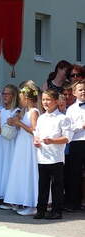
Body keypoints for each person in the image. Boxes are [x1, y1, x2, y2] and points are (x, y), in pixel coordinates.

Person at [33, 89, 72, 219]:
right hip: (42, 157)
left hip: (56, 158)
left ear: (56, 101)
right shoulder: (41, 118)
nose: (45, 102)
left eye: (48, 99)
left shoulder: (62, 118)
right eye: (43, 99)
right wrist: (36, 141)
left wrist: (52, 141)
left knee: (56, 186)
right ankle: (41, 210)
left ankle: (56, 211)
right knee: (42, 185)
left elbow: (67, 138)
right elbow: (37, 134)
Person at [3, 85, 40, 215]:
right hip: (22, 144)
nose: (20, 101)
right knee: (23, 172)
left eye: (21, 98)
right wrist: (15, 122)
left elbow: (34, 130)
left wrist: (19, 123)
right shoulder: (26, 111)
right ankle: (25, 201)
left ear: (27, 99)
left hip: (29, 146)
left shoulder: (34, 111)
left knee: (29, 172)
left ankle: (33, 204)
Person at [0, 84, 20, 207]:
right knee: (2, 167)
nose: (5, 96)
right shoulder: (1, 111)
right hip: (2, 143)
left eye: (8, 94)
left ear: (13, 96)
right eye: (4, 93)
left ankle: (12, 199)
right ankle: (4, 197)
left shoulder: (16, 111)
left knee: (9, 167)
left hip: (11, 144)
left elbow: (14, 128)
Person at [65, 80, 85, 210]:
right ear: (74, 93)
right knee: (75, 173)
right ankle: (74, 203)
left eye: (84, 89)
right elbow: (68, 128)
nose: (83, 91)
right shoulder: (71, 109)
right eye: (80, 90)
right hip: (77, 143)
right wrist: (80, 126)